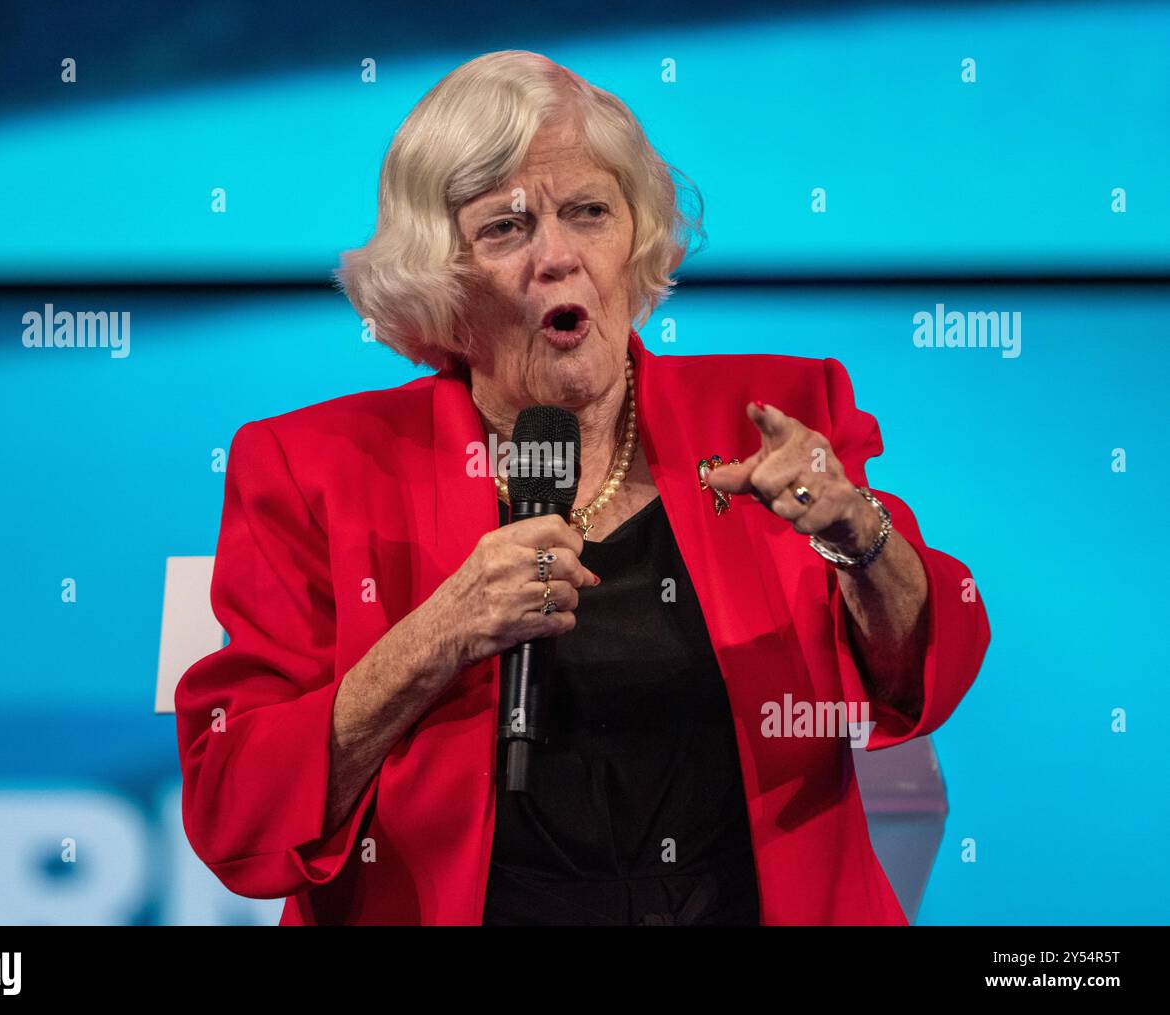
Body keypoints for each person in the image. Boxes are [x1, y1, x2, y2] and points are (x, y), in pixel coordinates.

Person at [174, 50, 990, 925]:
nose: (557, 257)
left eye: (588, 213)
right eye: (506, 229)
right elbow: (235, 812)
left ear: (634, 241)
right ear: (438, 282)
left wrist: (858, 537)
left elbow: (926, 675)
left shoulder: (773, 413)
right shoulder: (317, 465)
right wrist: (436, 637)